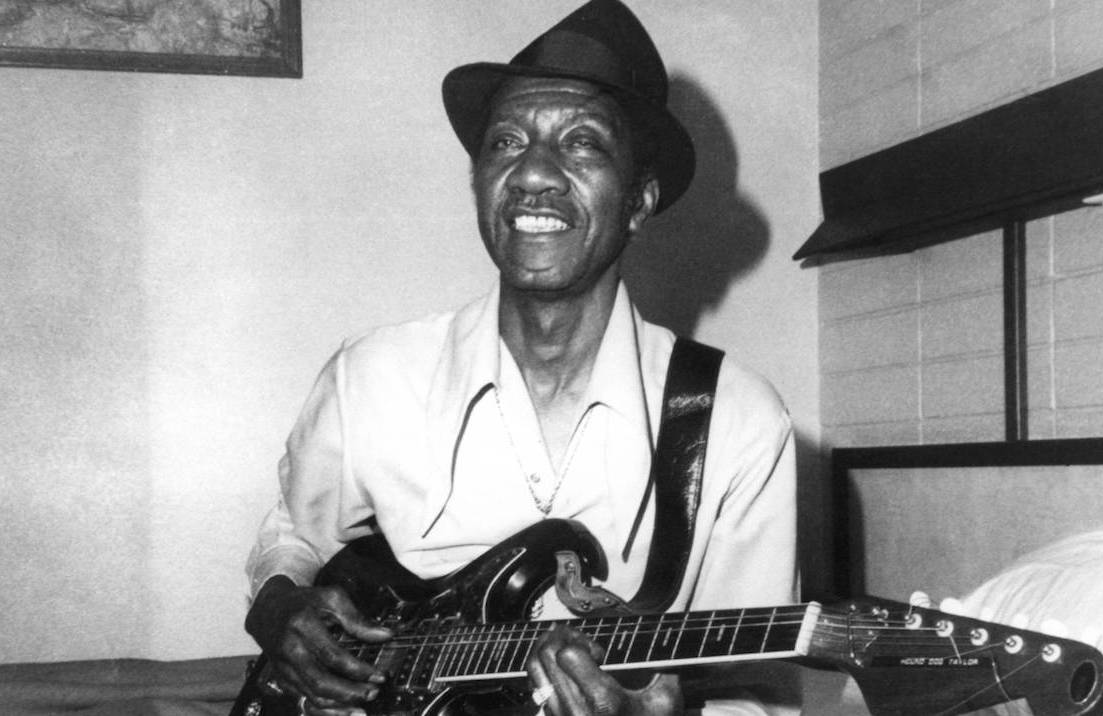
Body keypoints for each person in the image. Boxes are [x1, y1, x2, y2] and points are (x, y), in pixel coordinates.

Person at [242, 1, 798, 715]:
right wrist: (278, 603)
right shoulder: (372, 376)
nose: (534, 172)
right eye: (505, 142)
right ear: (479, 185)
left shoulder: (739, 423)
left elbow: (760, 697)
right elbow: (291, 528)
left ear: (639, 200)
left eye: (583, 144)